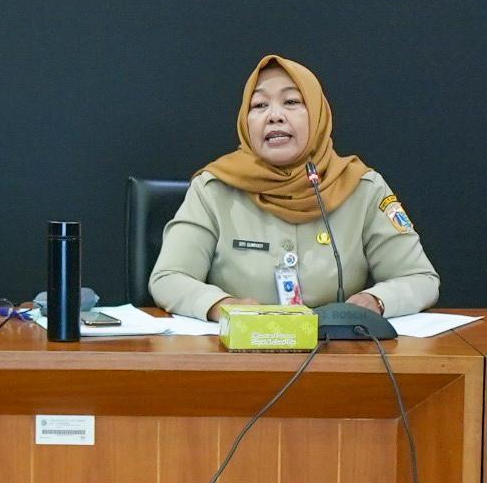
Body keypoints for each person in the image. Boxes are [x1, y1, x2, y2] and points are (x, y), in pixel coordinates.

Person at [148, 55, 439, 321]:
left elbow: (420, 278)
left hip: (336, 358)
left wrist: (376, 300)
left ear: (318, 115)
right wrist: (222, 305)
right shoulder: (214, 188)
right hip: (239, 357)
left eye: (291, 102)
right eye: (259, 105)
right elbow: (169, 277)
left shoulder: (362, 187)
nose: (274, 115)